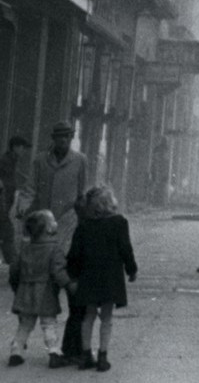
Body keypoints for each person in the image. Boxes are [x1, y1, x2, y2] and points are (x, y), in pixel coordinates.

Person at [26, 121, 89, 364]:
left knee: (62, 264)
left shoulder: (80, 160)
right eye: (59, 137)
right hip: (44, 221)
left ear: (72, 138)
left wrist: (84, 220)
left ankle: (65, 344)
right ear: (53, 139)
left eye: (67, 137)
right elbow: (31, 187)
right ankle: (47, 339)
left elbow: (82, 193)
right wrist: (23, 208)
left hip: (69, 221)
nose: (63, 141)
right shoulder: (40, 160)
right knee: (46, 274)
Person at [66, 186, 136, 372]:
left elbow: (74, 254)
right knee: (106, 317)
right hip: (110, 278)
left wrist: (73, 276)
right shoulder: (119, 223)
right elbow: (125, 249)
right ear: (109, 203)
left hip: (88, 277)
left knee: (88, 316)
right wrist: (131, 270)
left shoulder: (84, 226)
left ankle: (86, 355)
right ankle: (103, 356)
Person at [7, 210, 76, 368]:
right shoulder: (54, 249)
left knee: (25, 324)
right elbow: (58, 271)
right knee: (49, 323)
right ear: (48, 229)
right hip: (45, 292)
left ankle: (16, 351)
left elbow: (14, 270)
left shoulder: (24, 248)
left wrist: (16, 286)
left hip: (25, 291)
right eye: (52, 221)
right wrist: (68, 284)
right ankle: (53, 351)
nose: (56, 223)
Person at [0, 136, 31, 265]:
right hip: (1, 205)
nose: (24, 151)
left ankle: (13, 262)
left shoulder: (12, 161)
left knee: (7, 233)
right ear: (15, 147)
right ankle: (13, 264)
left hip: (4, 206)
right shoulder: (5, 161)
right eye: (23, 148)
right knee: (8, 233)